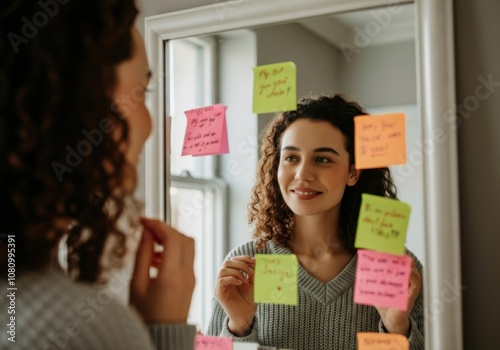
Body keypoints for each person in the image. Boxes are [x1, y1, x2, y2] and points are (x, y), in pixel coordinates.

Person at [0, 1, 196, 349]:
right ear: (74, 101)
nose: (150, 125)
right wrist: (163, 332)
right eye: (142, 92)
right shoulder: (81, 328)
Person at [206, 94, 424, 349]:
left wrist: (396, 328)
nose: (302, 175)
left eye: (322, 159)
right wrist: (239, 326)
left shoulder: (394, 269)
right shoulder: (247, 263)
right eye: (291, 158)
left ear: (353, 172)